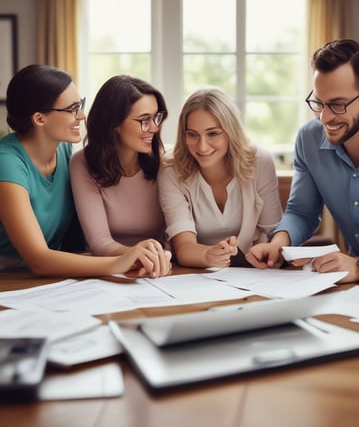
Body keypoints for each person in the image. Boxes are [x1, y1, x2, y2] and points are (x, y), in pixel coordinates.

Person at [246, 38, 359, 283]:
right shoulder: (309, 139)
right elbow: (301, 211)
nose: (325, 117)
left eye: (338, 105)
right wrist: (279, 243)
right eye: (319, 103)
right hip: (357, 285)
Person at [0, 64, 171, 278]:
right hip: (9, 274)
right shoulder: (7, 162)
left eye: (80, 104)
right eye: (72, 109)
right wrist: (120, 262)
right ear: (39, 119)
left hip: (55, 271)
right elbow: (39, 260)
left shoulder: (63, 149)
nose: (81, 116)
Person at [158, 87, 282, 268]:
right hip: (195, 272)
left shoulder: (260, 162)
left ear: (230, 131)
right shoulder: (171, 170)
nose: (202, 146)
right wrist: (207, 255)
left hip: (255, 271)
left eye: (213, 133)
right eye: (192, 134)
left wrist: (271, 253)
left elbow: (274, 233)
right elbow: (184, 246)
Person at [69, 75, 169, 257]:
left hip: (159, 267)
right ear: (114, 124)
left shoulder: (165, 164)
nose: (155, 128)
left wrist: (154, 258)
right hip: (108, 268)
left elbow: (173, 237)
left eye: (156, 118)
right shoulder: (82, 163)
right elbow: (99, 241)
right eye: (144, 120)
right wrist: (136, 256)